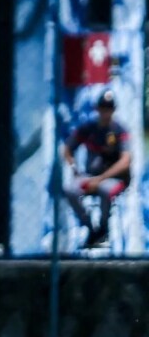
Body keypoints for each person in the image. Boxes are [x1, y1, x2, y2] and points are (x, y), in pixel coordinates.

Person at [62, 89, 131, 249]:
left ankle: (103, 229)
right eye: (103, 108)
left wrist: (101, 179)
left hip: (112, 179)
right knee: (70, 189)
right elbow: (67, 148)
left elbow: (125, 161)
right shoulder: (89, 128)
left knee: (105, 190)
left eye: (109, 108)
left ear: (113, 110)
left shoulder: (119, 130)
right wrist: (74, 168)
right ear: (98, 109)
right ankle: (90, 228)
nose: (106, 112)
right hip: (90, 176)